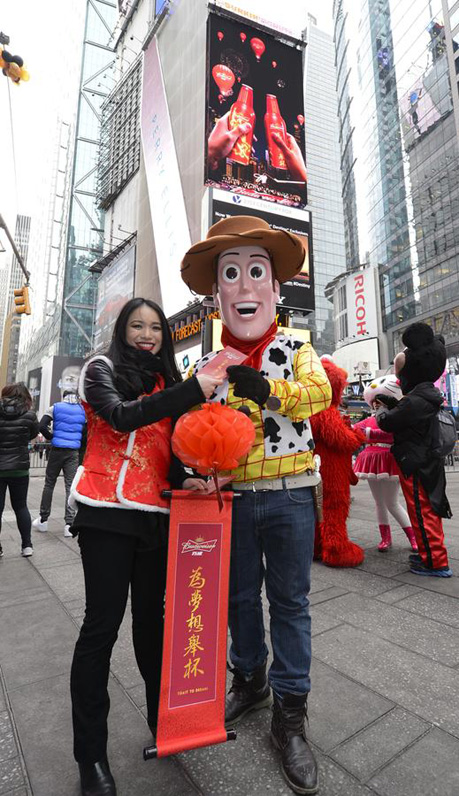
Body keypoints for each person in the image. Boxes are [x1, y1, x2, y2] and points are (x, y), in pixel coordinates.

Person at [181, 216, 332, 796]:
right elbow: (194, 433)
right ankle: (249, 679)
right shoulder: (207, 366)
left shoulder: (298, 347)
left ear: (274, 288)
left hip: (292, 495)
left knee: (290, 602)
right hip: (232, 503)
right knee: (238, 597)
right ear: (217, 294)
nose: (244, 287)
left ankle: (290, 719)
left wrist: (268, 390)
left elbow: (320, 397)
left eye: (255, 274)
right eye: (231, 276)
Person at [68, 297, 221, 796]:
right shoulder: (99, 369)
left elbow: (169, 451)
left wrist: (191, 479)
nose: (147, 334)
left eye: (155, 327)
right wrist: (189, 391)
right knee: (101, 629)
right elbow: (120, 418)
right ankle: (91, 759)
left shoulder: (166, 384)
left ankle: (166, 725)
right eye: (137, 325)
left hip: (155, 518)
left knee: (153, 629)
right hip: (106, 516)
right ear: (122, 330)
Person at [376, 322, 452, 577]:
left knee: (422, 510)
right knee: (426, 508)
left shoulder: (417, 399)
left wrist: (381, 411)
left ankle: (436, 563)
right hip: (424, 460)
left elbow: (389, 421)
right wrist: (393, 403)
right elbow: (404, 412)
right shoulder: (426, 395)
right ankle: (428, 555)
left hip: (417, 462)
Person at [310, 357, 366, 568]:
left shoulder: (310, 410)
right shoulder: (327, 412)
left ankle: (316, 546)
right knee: (334, 508)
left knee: (317, 509)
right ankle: (336, 549)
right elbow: (343, 441)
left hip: (316, 469)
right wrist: (358, 435)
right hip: (333, 471)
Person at [354, 375, 417, 553]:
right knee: (379, 503)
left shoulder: (395, 417)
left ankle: (413, 537)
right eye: (374, 403)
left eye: (379, 402)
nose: (376, 405)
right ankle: (385, 538)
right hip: (372, 459)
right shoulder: (369, 420)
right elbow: (355, 430)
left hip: (389, 459)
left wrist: (369, 434)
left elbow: (393, 435)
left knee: (392, 502)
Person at [32, 390, 86, 537]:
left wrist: (52, 437)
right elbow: (87, 431)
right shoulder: (82, 410)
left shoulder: (55, 407)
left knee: (49, 483)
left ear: (63, 396)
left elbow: (42, 426)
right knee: (70, 486)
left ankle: (43, 520)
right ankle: (69, 525)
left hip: (56, 450)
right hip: (73, 452)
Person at [0, 383, 39, 558]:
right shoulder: (30, 415)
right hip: (20, 469)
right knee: (21, 506)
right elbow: (32, 434)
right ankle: (27, 546)